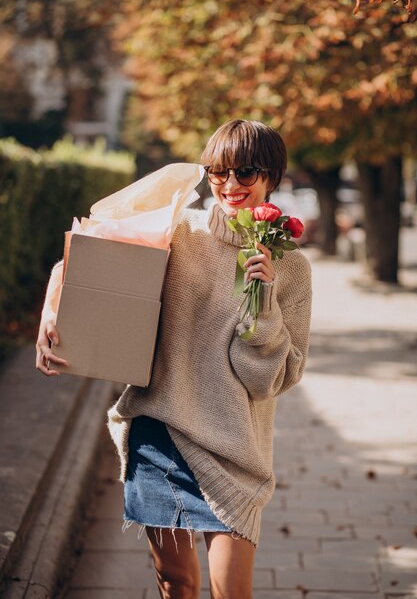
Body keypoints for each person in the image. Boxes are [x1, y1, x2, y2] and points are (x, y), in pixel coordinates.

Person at [36, 119, 312, 599]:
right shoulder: (177, 231)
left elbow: (268, 379)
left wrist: (261, 300)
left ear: (271, 176)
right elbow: (84, 257)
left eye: (245, 172)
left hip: (235, 451)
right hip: (159, 433)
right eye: (217, 171)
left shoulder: (291, 268)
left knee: (232, 592)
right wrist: (50, 314)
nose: (229, 185)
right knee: (176, 584)